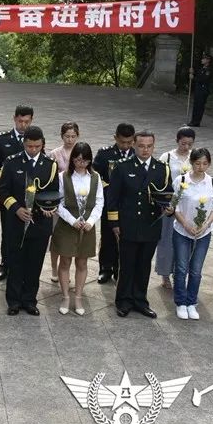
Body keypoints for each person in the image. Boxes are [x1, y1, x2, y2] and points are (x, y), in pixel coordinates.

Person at [105, 130, 172, 319]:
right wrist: (114, 222)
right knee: (127, 265)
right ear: (134, 145)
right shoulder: (122, 167)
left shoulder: (161, 168)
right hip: (129, 223)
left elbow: (168, 194)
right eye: (141, 146)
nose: (145, 150)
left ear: (154, 146)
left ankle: (140, 300)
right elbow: (113, 197)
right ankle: (124, 300)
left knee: (144, 265)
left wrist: (170, 209)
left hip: (150, 225)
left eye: (149, 146)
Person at [0, 125, 59, 316]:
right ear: (24, 143)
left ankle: (30, 300)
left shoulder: (50, 164)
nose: (33, 150)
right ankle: (14, 301)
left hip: (40, 223)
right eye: (30, 146)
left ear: (42, 144)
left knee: (35, 263)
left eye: (37, 146)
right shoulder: (12, 162)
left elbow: (54, 192)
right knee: (15, 262)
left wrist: (49, 208)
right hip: (16, 222)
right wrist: (16, 209)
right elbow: (3, 191)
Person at [170, 148, 213, 320]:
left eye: (205, 164)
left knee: (196, 270)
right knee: (180, 268)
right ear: (191, 163)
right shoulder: (181, 180)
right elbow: (175, 206)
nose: (201, 167)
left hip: (203, 233)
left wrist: (205, 224)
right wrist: (186, 224)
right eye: (197, 163)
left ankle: (191, 302)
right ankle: (180, 302)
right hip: (182, 231)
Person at [51, 142, 103, 316]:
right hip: (67, 225)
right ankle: (66, 296)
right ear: (72, 159)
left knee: (82, 262)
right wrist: (72, 220)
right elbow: (59, 203)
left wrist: (91, 220)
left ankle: (78, 296)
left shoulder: (95, 177)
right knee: (65, 261)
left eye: (85, 160)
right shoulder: (62, 177)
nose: (81, 163)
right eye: (78, 160)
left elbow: (99, 202)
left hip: (87, 226)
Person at [0, 105, 34, 281]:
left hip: (28, 193)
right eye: (20, 121)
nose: (23, 125)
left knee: (27, 230)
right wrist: (4, 177)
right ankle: (5, 264)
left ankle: (21, 264)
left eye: (27, 121)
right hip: (8, 193)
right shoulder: (3, 139)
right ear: (14, 118)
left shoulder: (35, 139)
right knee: (8, 230)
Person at [92, 123, 136, 284]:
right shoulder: (105, 154)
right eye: (122, 142)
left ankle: (120, 268)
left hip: (129, 204)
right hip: (110, 202)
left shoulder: (137, 154)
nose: (125, 146)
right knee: (108, 236)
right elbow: (96, 176)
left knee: (126, 237)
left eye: (129, 142)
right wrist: (110, 189)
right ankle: (106, 268)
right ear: (115, 138)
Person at [155, 127, 196, 288]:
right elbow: (159, 180)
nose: (185, 147)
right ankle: (165, 274)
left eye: (189, 144)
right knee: (166, 240)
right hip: (170, 205)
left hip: (187, 205)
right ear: (177, 140)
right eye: (183, 143)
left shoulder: (194, 157)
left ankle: (180, 273)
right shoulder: (167, 157)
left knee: (185, 241)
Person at [46, 122, 79, 284]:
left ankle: (66, 269)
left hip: (75, 201)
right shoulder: (54, 153)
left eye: (73, 136)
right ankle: (54, 268)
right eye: (67, 136)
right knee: (56, 235)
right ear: (62, 136)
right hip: (59, 200)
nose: (70, 139)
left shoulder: (80, 152)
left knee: (71, 237)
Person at [187, 52, 213, 127]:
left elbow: (203, 79)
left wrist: (193, 78)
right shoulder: (202, 69)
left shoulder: (209, 70)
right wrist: (192, 72)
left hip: (203, 90)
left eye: (204, 59)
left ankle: (196, 121)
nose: (202, 60)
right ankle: (193, 120)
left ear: (208, 60)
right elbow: (198, 76)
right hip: (198, 89)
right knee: (196, 105)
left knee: (199, 106)